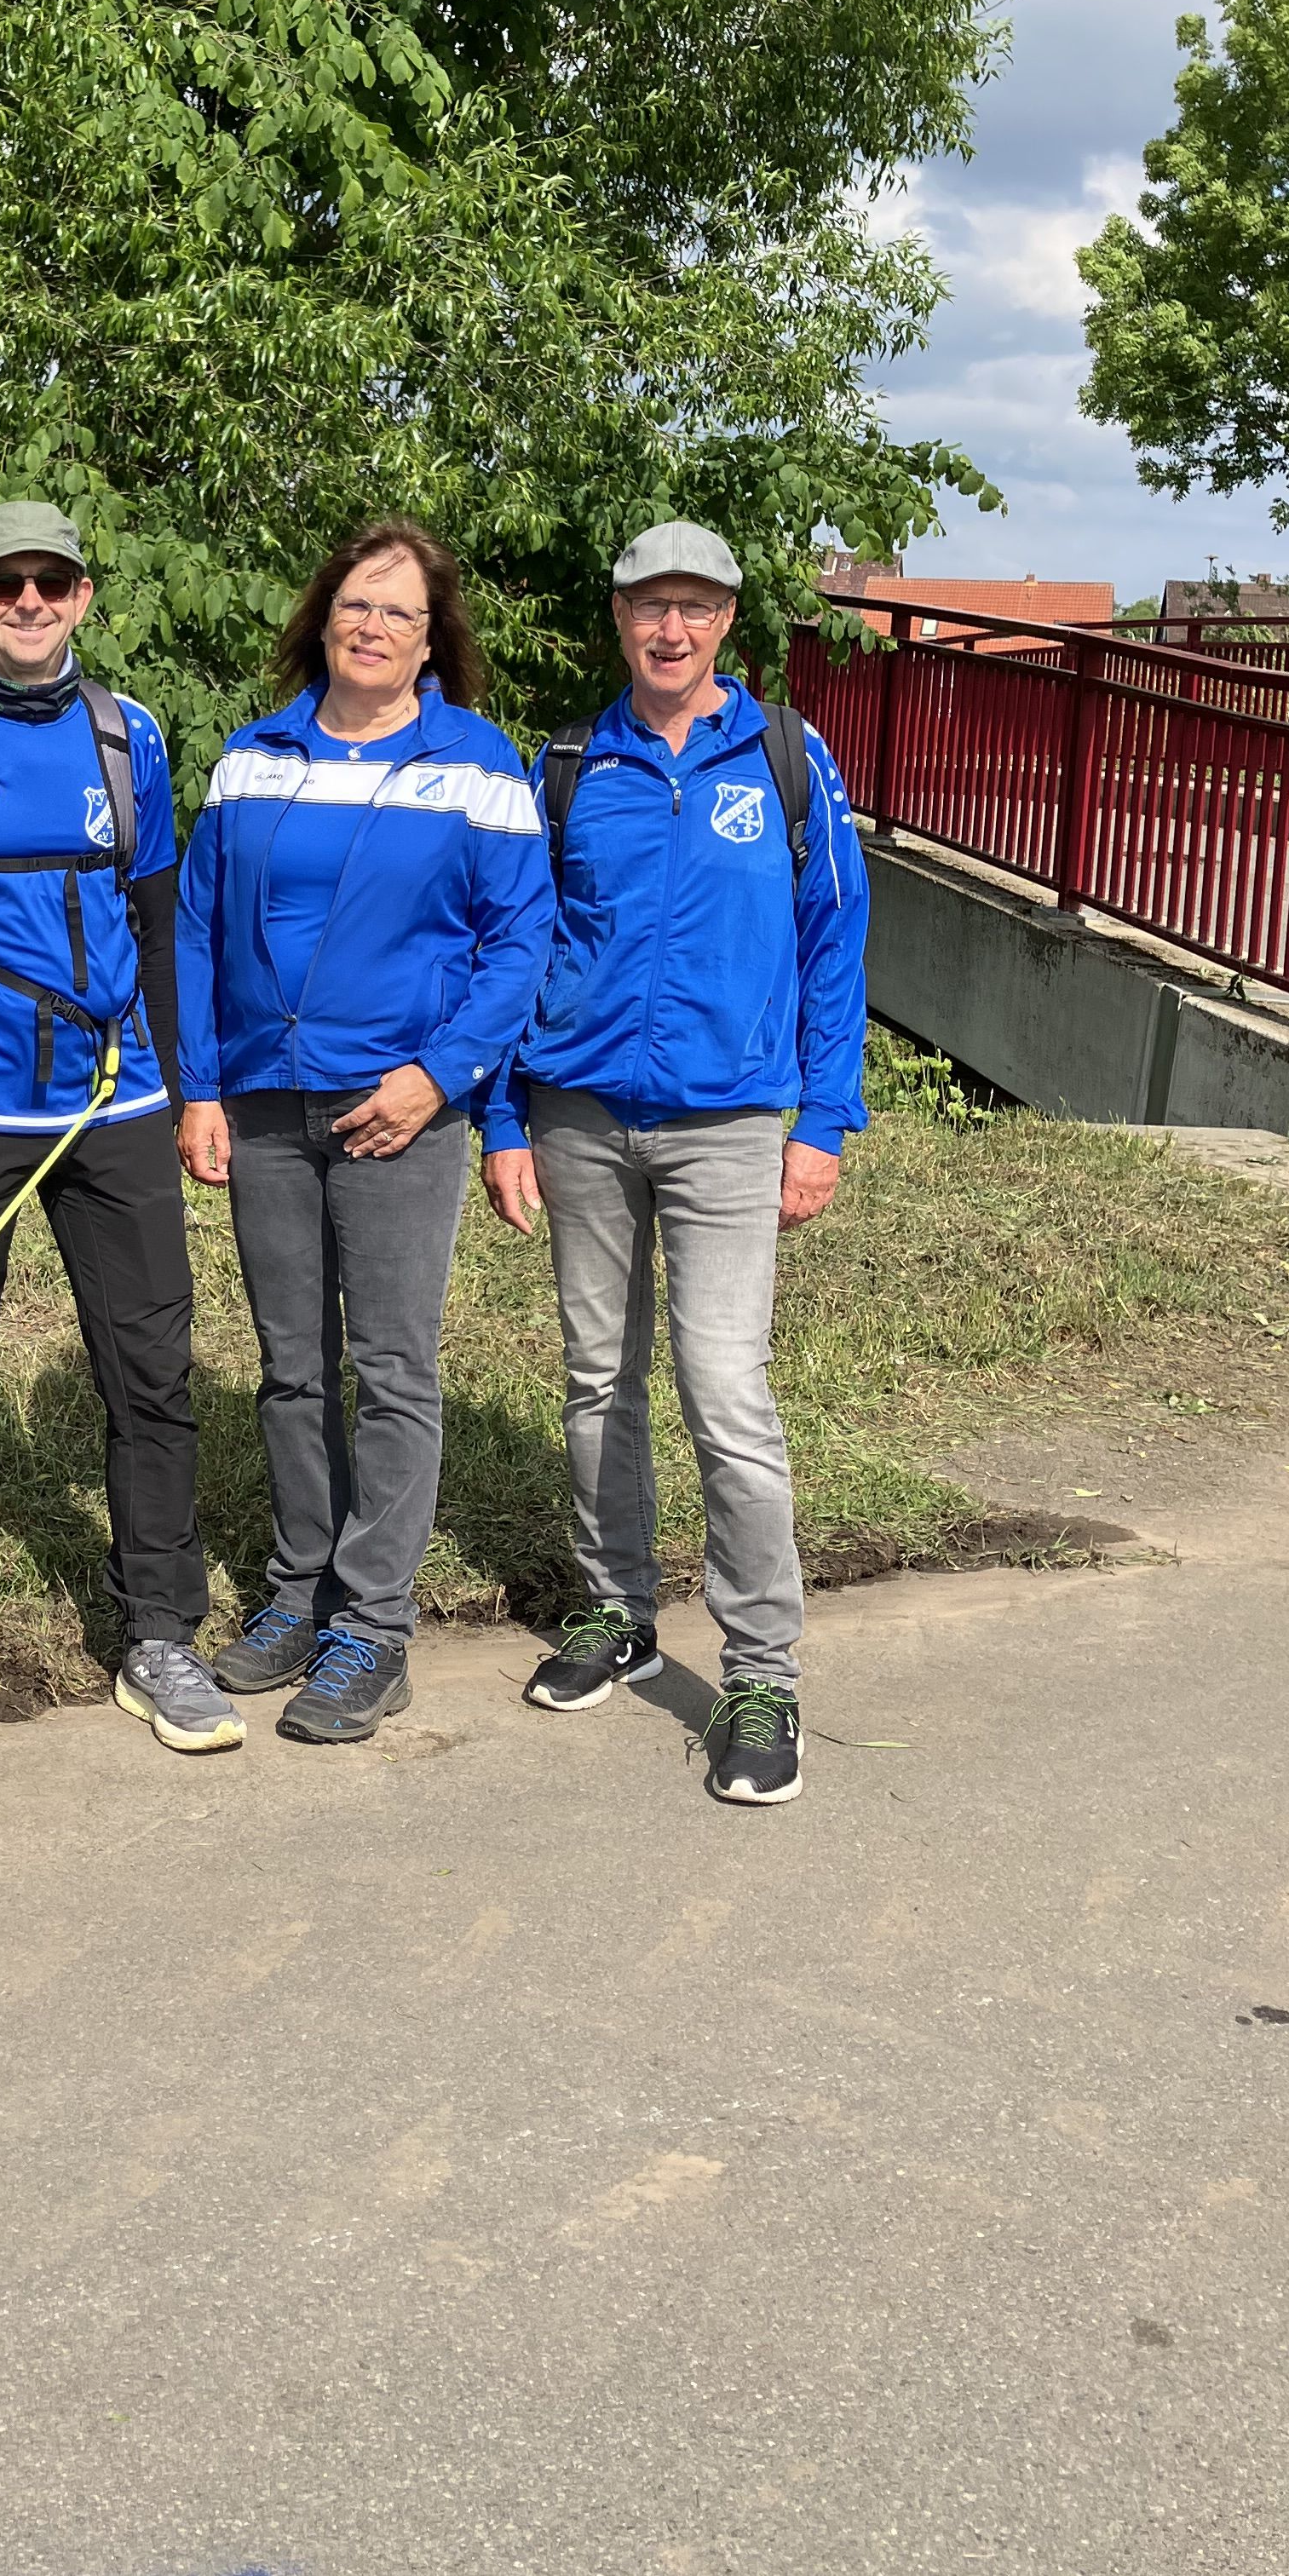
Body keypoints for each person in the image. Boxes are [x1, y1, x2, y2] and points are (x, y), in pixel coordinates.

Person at [479, 521, 870, 1807]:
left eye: (696, 607)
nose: (672, 628)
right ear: (620, 618)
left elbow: (834, 944)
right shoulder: (566, 766)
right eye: (651, 606)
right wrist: (504, 1120)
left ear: (728, 624)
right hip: (579, 1111)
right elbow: (521, 947)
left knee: (724, 1390)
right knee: (598, 1375)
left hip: (729, 1124)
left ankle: (763, 1674)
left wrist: (822, 1125)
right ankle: (618, 1609)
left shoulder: (788, 760)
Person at [176, 521, 554, 1742]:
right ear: (324, 617)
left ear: (433, 640)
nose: (374, 626)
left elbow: (521, 944)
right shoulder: (253, 758)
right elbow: (196, 928)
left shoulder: (478, 766)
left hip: (398, 1113)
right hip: (264, 1104)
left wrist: (439, 1079)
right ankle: (300, 1593)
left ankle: (375, 1626)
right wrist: (200, 1088)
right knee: (291, 1367)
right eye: (356, 604)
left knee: (391, 1371)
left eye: (400, 611)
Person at [0, 500, 244, 1758]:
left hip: (116, 1098)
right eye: (5, 584)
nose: (29, 602)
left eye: (51, 581)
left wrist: (191, 1091)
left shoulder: (128, 734)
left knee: (151, 1369)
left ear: (84, 595)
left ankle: (161, 1633)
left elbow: (160, 924)